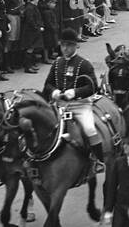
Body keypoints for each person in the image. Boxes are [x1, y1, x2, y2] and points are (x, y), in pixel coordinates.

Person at [42, 26, 104, 169]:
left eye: (69, 45)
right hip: (59, 106)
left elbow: (93, 87)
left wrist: (75, 92)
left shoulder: (84, 64)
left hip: (80, 105)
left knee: (89, 129)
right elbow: (47, 85)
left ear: (76, 45)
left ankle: (98, 161)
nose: (65, 48)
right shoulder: (57, 63)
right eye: (63, 45)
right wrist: (54, 92)